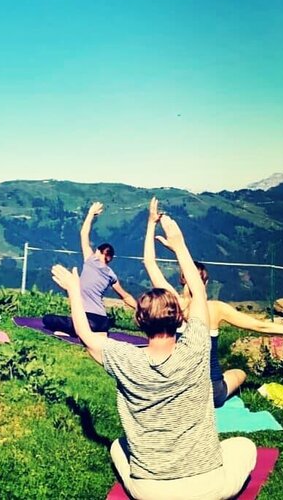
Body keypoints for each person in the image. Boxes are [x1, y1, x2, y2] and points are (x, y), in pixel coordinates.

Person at [51, 213, 256, 500]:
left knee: (117, 446)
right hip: (208, 486)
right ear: (179, 319)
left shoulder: (124, 358)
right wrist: (179, 245)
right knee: (245, 446)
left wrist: (75, 291)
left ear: (139, 321)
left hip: (150, 490)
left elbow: (86, 335)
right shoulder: (197, 346)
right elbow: (198, 293)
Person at [144, 197, 283, 407]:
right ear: (205, 283)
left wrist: (151, 223)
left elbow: (150, 263)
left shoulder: (173, 303)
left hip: (179, 389)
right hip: (210, 392)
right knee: (239, 373)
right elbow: (260, 326)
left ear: (182, 280)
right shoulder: (216, 309)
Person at [43, 201, 136, 336]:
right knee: (78, 323)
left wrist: (91, 213)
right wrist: (143, 310)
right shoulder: (112, 275)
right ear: (110, 258)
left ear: (98, 251)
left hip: (87, 320)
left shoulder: (91, 260)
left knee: (48, 319)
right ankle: (83, 331)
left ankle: (73, 332)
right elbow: (125, 296)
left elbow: (84, 234)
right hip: (103, 322)